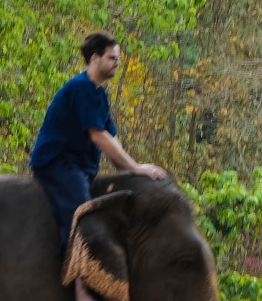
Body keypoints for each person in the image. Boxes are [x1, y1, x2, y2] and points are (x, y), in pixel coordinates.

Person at [30, 31, 170, 257]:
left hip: (80, 167)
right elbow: (98, 136)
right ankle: (80, 287)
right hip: (59, 165)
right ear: (95, 58)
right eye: (112, 58)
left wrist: (129, 171)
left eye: (118, 59)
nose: (117, 63)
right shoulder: (81, 87)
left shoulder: (99, 93)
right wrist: (134, 167)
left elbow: (111, 138)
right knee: (83, 220)